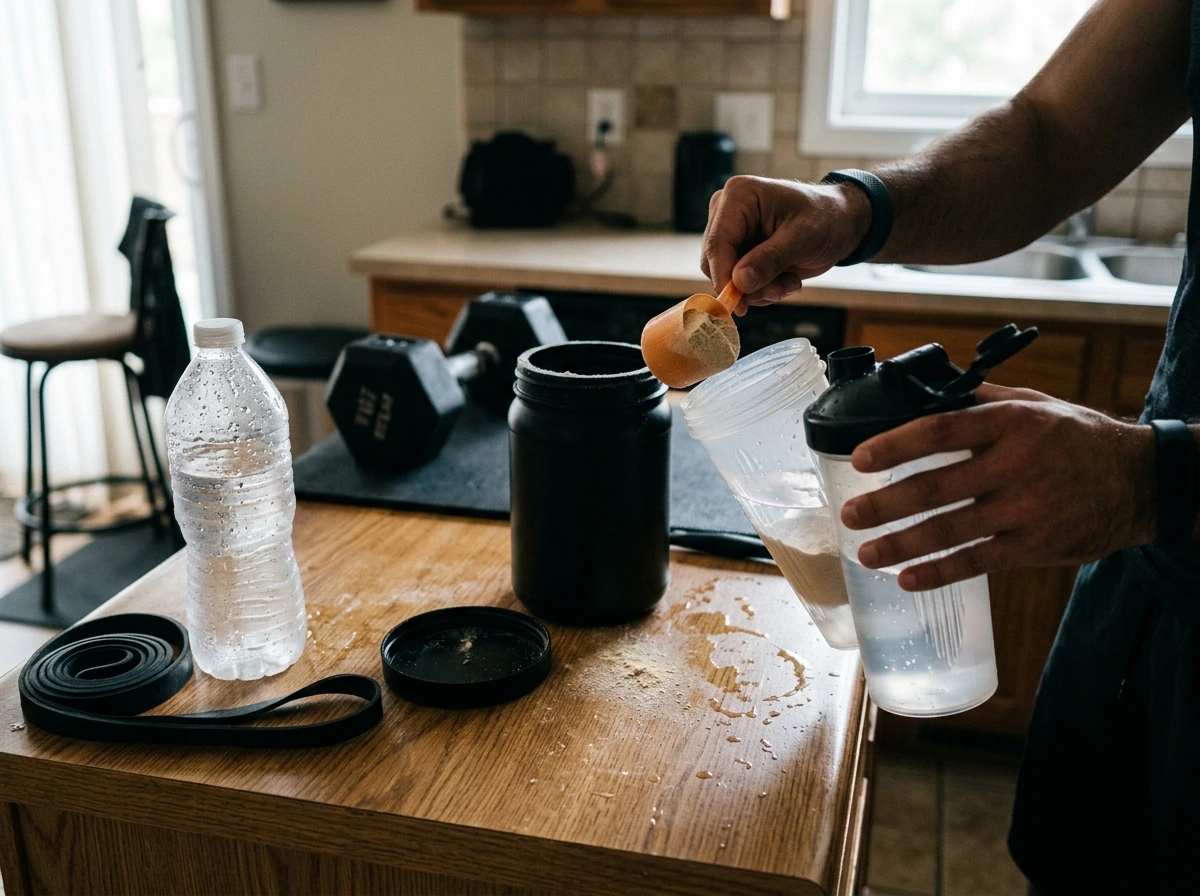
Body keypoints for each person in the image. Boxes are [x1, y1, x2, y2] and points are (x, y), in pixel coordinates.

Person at [701, 0, 1200, 891]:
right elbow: (1047, 134)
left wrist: (1156, 476)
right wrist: (852, 207)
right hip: (1159, 578)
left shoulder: (1152, 481)